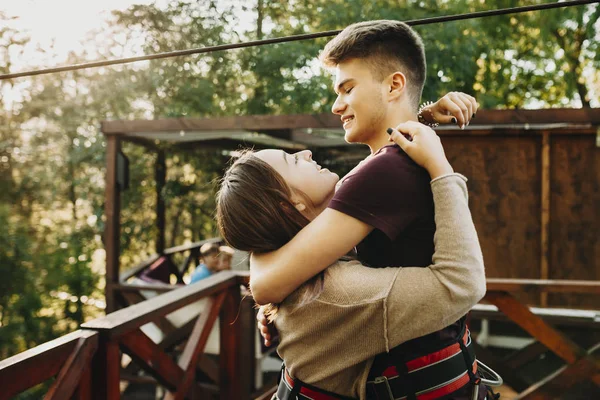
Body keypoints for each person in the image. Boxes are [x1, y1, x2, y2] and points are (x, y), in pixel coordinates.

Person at [249, 20, 485, 399]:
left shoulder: (382, 172)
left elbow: (264, 283)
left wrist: (276, 295)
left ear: (393, 85)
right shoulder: (400, 159)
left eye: (347, 88)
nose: (336, 104)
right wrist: (421, 116)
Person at [217, 123, 486, 399]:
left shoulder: (294, 267)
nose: (307, 153)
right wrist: (440, 168)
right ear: (291, 204)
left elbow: (365, 176)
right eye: (293, 160)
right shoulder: (339, 292)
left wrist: (426, 117)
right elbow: (461, 284)